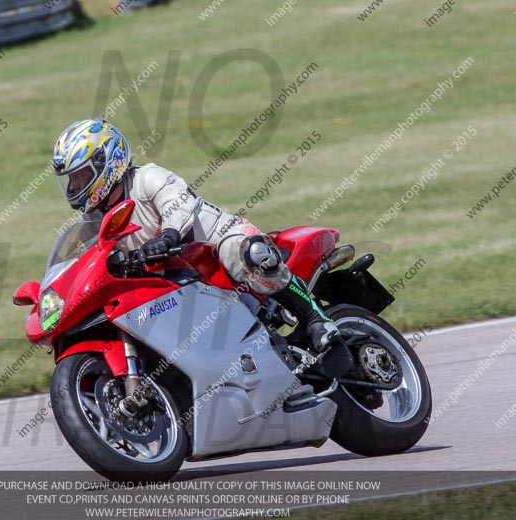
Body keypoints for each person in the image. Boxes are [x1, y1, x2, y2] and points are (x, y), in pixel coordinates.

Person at [52, 118, 351, 374]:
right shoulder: (93, 220)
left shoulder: (147, 178)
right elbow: (87, 258)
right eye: (71, 181)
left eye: (80, 176)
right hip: (172, 277)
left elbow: (179, 204)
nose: (75, 187)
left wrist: (168, 236)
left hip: (215, 245)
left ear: (107, 162)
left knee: (245, 255)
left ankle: (316, 319)